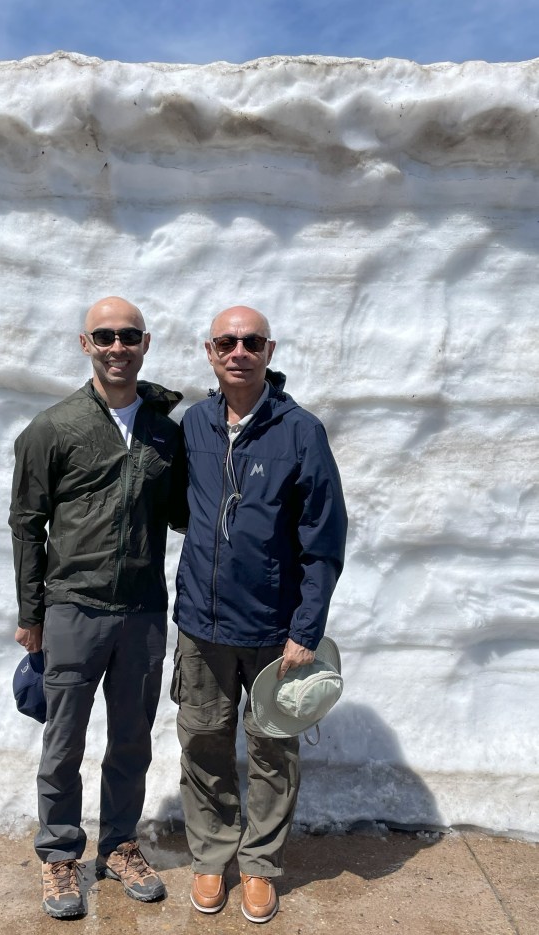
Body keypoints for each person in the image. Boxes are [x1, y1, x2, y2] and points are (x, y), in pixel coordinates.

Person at [9, 297, 184, 920]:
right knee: (63, 741)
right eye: (105, 335)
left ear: (145, 343)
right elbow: (27, 524)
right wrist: (31, 614)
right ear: (86, 343)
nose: (118, 346)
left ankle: (119, 844)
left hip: (141, 610)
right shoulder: (53, 428)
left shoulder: (168, 431)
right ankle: (60, 854)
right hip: (73, 609)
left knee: (133, 738)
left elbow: (187, 513)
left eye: (129, 336)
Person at [172, 305, 347, 924]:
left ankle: (260, 866)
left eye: (251, 342)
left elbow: (324, 537)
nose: (238, 350)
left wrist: (307, 626)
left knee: (273, 751)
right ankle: (211, 853)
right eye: (227, 341)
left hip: (276, 630)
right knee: (203, 742)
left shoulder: (301, 432)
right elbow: (177, 507)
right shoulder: (193, 423)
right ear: (210, 351)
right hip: (201, 624)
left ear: (269, 351)